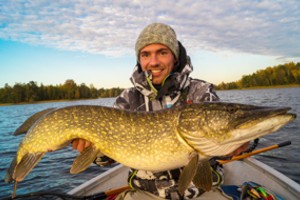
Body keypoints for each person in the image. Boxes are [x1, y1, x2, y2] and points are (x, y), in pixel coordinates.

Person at [72, 23, 249, 200]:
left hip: (203, 191)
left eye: (162, 52)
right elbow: (105, 161)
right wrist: (91, 151)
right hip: (145, 193)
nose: (154, 62)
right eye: (146, 54)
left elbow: (230, 125)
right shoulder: (128, 99)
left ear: (175, 57)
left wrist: (241, 144)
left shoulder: (200, 91)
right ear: (139, 60)